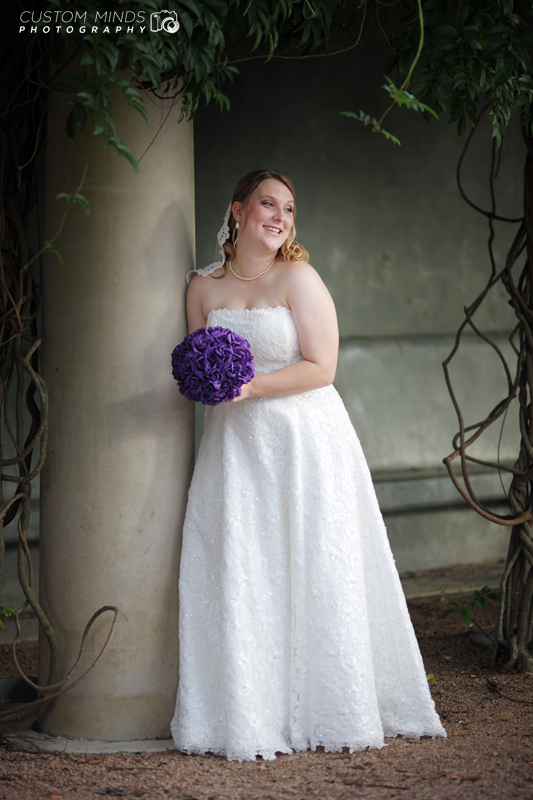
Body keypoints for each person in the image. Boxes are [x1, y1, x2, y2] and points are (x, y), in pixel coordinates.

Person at [171, 169, 446, 761]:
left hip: (303, 439)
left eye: (290, 209)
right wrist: (210, 385)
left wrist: (248, 387)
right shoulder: (201, 287)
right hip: (233, 449)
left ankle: (330, 703)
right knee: (244, 567)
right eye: (268, 204)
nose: (280, 216)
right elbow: (197, 363)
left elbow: (323, 366)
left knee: (314, 559)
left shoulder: (298, 277)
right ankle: (248, 712)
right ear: (238, 211)